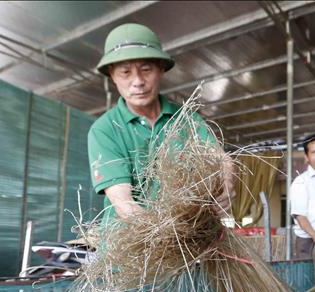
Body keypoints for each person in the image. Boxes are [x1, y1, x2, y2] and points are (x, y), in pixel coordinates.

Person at [88, 23, 233, 223]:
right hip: (132, 244)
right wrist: (165, 231)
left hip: (187, 237)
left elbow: (220, 159)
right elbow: (124, 204)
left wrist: (225, 185)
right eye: (125, 72)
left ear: (161, 69)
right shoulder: (104, 130)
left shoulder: (187, 119)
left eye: (146, 69)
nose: (138, 81)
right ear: (112, 75)